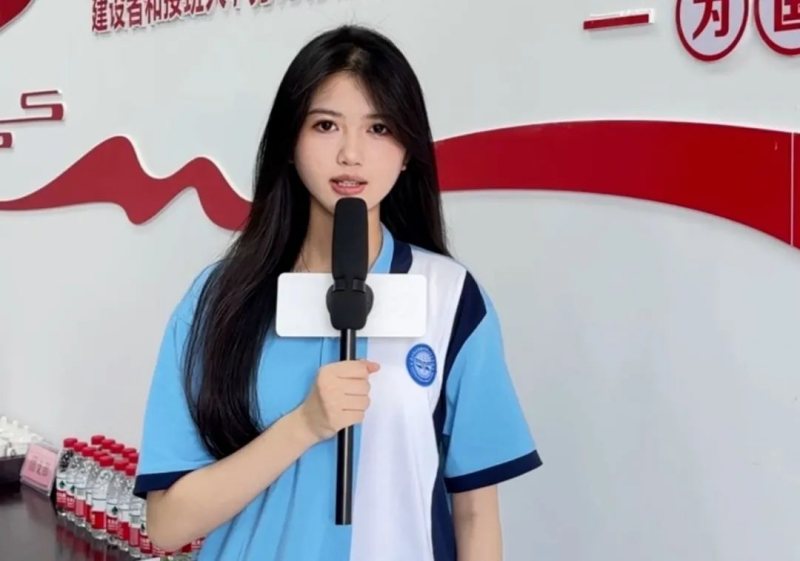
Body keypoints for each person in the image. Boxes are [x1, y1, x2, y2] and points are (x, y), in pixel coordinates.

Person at [133, 24, 541, 561]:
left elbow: (475, 513)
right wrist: (305, 425)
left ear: (408, 151)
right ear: (290, 142)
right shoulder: (221, 299)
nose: (351, 154)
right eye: (326, 125)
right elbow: (166, 525)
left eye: (379, 128)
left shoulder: (450, 299)